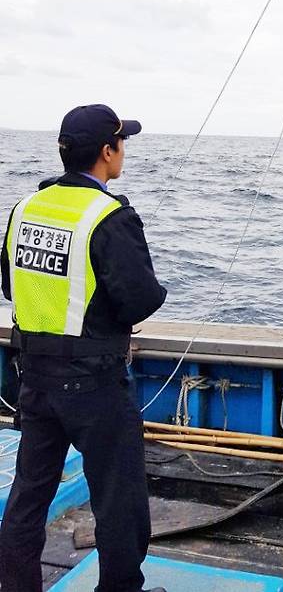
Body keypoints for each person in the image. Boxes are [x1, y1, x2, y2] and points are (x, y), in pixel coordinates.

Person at [0, 104, 167, 592]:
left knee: (29, 497)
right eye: (122, 144)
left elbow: (13, 286)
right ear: (107, 152)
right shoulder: (109, 215)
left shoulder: (25, 208)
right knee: (118, 500)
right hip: (93, 385)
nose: (124, 152)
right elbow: (141, 299)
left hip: (34, 382)